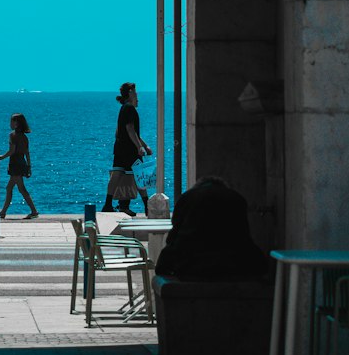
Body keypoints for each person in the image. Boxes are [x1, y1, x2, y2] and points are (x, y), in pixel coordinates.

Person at [155, 176, 273, 282]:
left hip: (191, 267)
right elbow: (243, 237)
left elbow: (174, 238)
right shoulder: (235, 198)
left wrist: (162, 265)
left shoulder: (187, 198)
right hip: (232, 266)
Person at [104, 81, 151, 217]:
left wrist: (144, 145)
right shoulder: (130, 108)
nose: (137, 94)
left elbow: (121, 132)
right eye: (135, 92)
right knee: (139, 174)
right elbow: (130, 129)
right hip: (130, 150)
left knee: (117, 174)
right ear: (130, 92)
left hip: (120, 148)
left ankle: (108, 204)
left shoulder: (123, 108)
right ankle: (147, 205)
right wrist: (139, 147)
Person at [0, 112, 38, 219]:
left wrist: (2, 157)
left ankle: (34, 211)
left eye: (11, 121)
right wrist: (29, 167)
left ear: (16, 123)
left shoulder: (12, 135)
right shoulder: (24, 137)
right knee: (9, 188)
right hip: (22, 163)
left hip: (15, 164)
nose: (10, 123)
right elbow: (27, 153)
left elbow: (12, 151)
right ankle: (3, 212)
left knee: (21, 189)